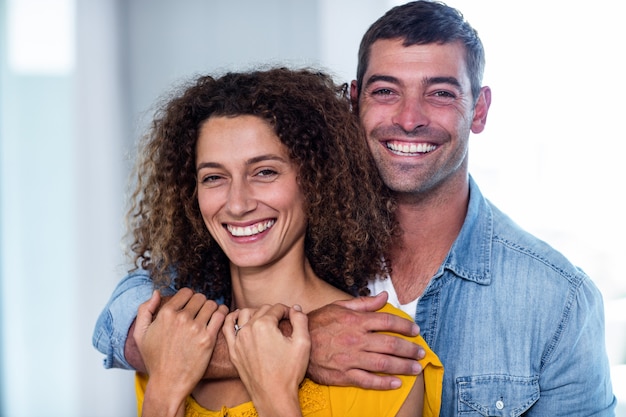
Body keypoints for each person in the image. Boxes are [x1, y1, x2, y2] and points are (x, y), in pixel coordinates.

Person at [94, 1, 616, 415]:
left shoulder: (557, 302)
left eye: (439, 93)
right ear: (353, 99)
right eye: (386, 91)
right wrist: (296, 340)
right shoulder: (266, 241)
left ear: (478, 110)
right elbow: (119, 321)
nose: (409, 119)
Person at [123, 67, 443, 416]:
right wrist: (164, 393)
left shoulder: (378, 348)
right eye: (214, 178)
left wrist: (275, 396)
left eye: (265, 172)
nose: (238, 204)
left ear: (315, 181)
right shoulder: (173, 339)